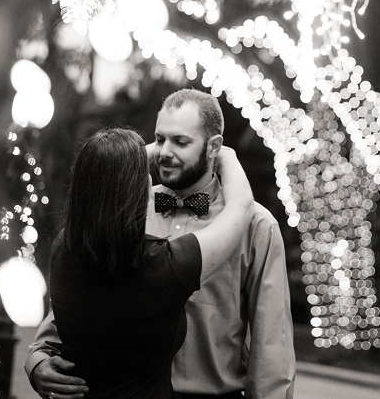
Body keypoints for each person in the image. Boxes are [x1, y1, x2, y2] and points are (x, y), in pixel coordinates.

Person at [26, 89, 296, 399]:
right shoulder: (121, 210)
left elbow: (272, 342)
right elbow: (79, 299)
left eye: (180, 142)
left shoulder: (256, 226)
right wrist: (38, 358)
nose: (165, 152)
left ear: (214, 148)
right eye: (160, 139)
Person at [45, 127, 254, 399]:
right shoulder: (166, 267)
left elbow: (103, 179)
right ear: (143, 190)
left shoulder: (63, 250)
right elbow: (241, 208)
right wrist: (224, 154)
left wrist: (132, 155)